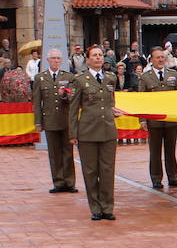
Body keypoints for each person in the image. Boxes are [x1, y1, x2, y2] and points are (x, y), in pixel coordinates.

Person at [68, 46, 124, 220]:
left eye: (100, 55)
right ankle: (95, 208)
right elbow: (73, 108)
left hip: (107, 129)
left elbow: (111, 101)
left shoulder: (110, 78)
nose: (98, 58)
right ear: (88, 59)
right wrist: (73, 133)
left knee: (107, 170)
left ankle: (108, 207)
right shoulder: (79, 80)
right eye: (94, 55)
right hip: (88, 131)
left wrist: (114, 111)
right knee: (91, 171)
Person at [137, 46, 177, 189]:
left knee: (171, 150)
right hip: (154, 121)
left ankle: (173, 177)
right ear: (151, 60)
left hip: (171, 119)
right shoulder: (145, 78)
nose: (160, 59)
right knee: (155, 151)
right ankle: (156, 178)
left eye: (162, 57)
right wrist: (142, 120)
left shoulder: (172, 74)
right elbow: (141, 101)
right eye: (157, 57)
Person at [33, 49, 78, 194]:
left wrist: (65, 95)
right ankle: (58, 181)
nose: (56, 61)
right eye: (53, 58)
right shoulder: (40, 78)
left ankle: (69, 182)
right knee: (54, 153)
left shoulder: (69, 77)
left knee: (68, 152)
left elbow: (73, 98)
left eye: (58, 58)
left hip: (65, 120)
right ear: (48, 60)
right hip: (50, 119)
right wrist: (38, 122)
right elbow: (37, 102)